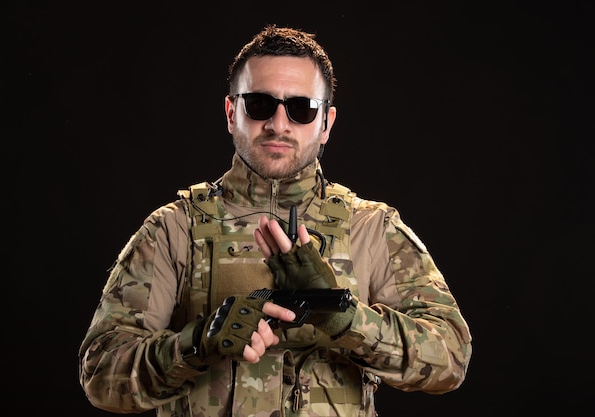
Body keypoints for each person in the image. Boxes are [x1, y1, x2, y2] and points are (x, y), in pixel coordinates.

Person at [78, 24, 473, 417]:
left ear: (326, 124)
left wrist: (345, 317)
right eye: (260, 104)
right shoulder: (174, 230)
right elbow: (100, 375)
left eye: (301, 108)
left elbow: (451, 358)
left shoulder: (370, 229)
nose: (279, 125)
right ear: (232, 113)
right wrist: (195, 344)